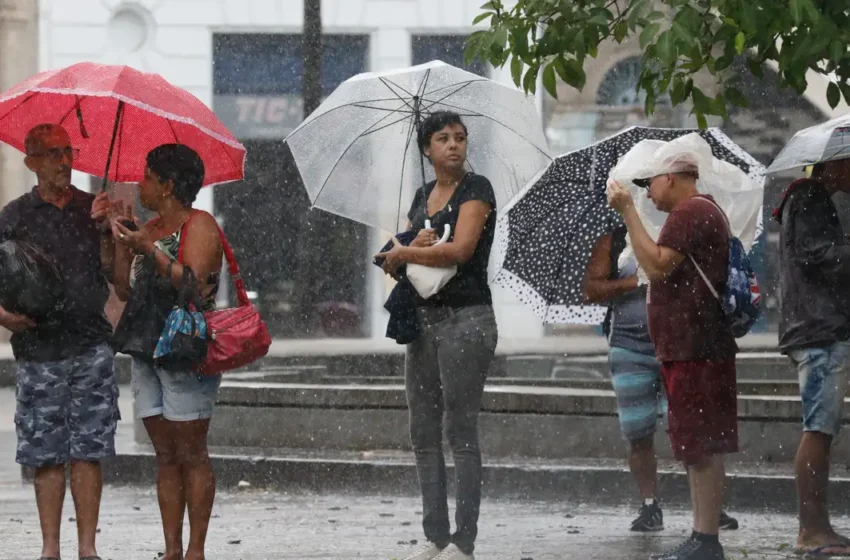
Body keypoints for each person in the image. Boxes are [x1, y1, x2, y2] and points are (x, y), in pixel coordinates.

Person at [376, 111, 499, 560]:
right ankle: (436, 536)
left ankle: (463, 542)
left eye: (460, 138)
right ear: (426, 148)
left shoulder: (477, 188)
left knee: (460, 430)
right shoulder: (422, 194)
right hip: (422, 322)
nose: (453, 145)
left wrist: (404, 251)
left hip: (467, 319)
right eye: (443, 138)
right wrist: (408, 248)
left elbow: (463, 249)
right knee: (422, 431)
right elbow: (418, 253)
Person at [607, 141, 738, 560]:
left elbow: (658, 264)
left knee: (699, 445)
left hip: (695, 346)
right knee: (699, 444)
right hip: (696, 344)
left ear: (670, 177)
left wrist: (628, 211)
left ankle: (705, 538)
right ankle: (704, 535)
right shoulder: (703, 210)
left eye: (649, 184)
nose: (647, 193)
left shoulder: (690, 211)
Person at [1, 123, 119, 560]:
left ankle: (87, 548)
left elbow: (115, 278)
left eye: (68, 151)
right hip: (39, 350)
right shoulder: (14, 217)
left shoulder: (93, 209)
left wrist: (108, 233)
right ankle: (50, 548)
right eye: (52, 154)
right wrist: (4, 316)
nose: (64, 162)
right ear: (31, 162)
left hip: (90, 346)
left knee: (89, 452)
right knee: (46, 454)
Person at [584, 226, 739, 534]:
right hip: (630, 348)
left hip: (680, 346)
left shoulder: (682, 235)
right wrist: (635, 281)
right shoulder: (615, 240)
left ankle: (709, 508)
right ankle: (650, 505)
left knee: (691, 427)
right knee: (637, 432)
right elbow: (591, 289)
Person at [110, 144, 223, 560]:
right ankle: (171, 548)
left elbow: (192, 283)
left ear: (168, 185)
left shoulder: (201, 224)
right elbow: (123, 290)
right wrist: (122, 242)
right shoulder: (150, 228)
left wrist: (150, 250)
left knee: (192, 452)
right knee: (165, 454)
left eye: (147, 177)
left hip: (184, 350)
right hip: (146, 351)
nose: (140, 184)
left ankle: (196, 549)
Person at [774, 158, 850, 557]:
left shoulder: (811, 199)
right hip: (819, 329)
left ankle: (819, 526)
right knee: (819, 428)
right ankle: (812, 530)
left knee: (823, 427)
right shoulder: (807, 198)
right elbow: (819, 257)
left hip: (819, 325)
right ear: (837, 164)